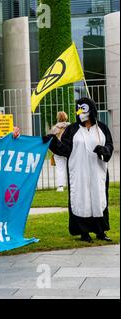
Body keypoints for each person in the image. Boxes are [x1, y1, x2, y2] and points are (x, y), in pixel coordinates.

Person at [44, 97, 114, 243]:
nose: (80, 111)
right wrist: (52, 141)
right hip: (79, 171)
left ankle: (100, 231)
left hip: (98, 171)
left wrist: (104, 150)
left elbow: (109, 146)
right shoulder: (72, 129)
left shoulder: (101, 128)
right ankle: (84, 232)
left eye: (84, 108)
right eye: (79, 108)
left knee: (98, 199)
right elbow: (65, 149)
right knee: (81, 200)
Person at [51, 111, 71, 192]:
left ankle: (60, 187)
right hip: (68, 150)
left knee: (60, 169)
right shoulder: (70, 126)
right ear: (66, 117)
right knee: (71, 168)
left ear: (58, 118)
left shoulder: (54, 128)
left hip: (58, 150)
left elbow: (52, 140)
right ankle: (72, 185)